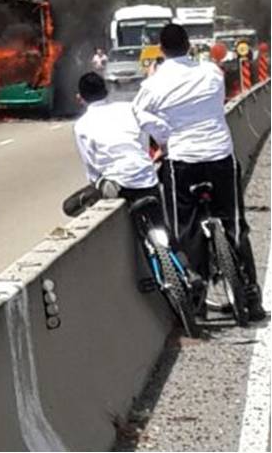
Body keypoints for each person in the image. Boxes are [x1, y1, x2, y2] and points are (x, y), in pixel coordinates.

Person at [132, 22, 266, 321]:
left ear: (161, 49)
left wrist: (165, 137)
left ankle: (197, 295)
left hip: (182, 160)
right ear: (189, 45)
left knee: (184, 228)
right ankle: (252, 298)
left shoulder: (153, 85)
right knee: (234, 225)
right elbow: (217, 101)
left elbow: (140, 117)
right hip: (220, 155)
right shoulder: (211, 72)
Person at [73, 71, 159, 203]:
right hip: (148, 177)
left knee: (73, 205)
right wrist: (161, 149)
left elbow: (90, 165)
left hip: (119, 184)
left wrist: (95, 183)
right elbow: (160, 127)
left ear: (80, 98)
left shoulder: (81, 125)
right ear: (106, 91)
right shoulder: (129, 108)